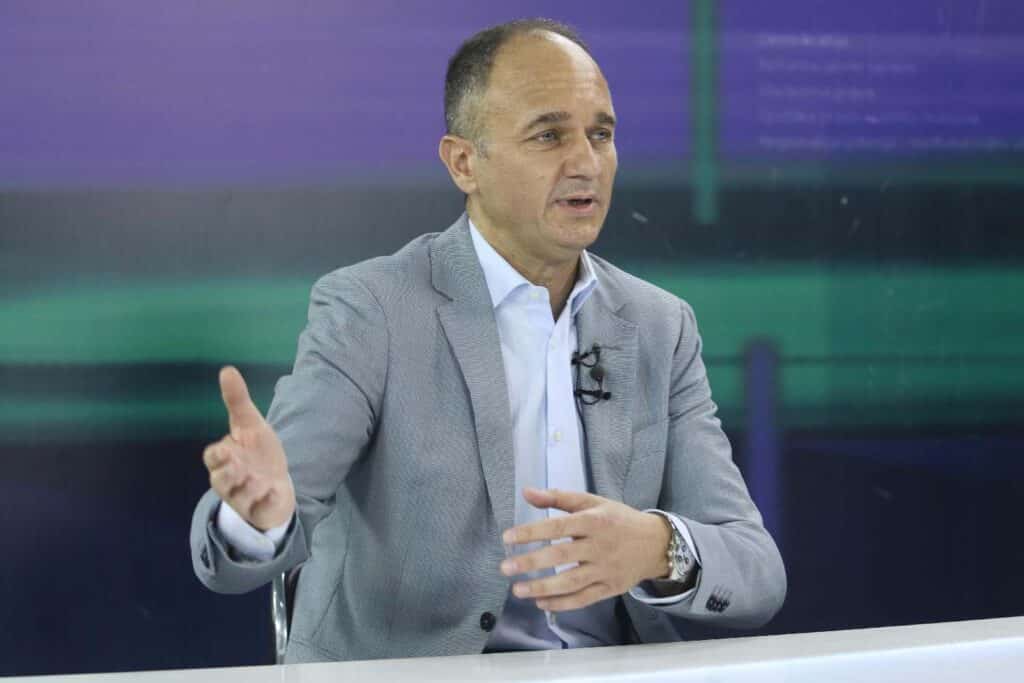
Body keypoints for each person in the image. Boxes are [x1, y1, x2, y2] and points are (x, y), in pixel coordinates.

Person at [190, 18, 785, 662]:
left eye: (601, 135)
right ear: (464, 163)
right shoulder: (372, 310)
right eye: (549, 135)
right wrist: (256, 518)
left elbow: (756, 573)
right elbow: (238, 553)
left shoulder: (659, 326)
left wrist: (656, 548)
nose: (586, 163)